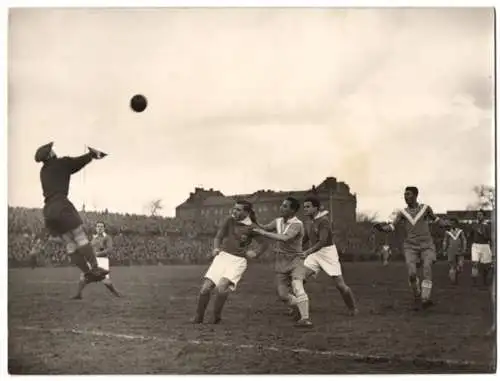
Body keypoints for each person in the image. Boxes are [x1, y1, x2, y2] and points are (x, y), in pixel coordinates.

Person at [35, 142, 108, 283]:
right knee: (80, 236)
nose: (54, 151)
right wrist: (92, 155)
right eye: (52, 150)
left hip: (49, 210)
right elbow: (78, 162)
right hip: (61, 205)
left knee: (70, 245)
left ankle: (87, 273)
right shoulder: (61, 163)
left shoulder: (43, 171)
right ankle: (95, 268)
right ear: (50, 154)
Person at [192, 200, 269, 324]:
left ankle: (216, 317)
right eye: (234, 209)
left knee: (221, 288)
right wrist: (216, 248)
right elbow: (218, 237)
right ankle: (198, 317)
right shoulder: (229, 220)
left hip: (238, 261)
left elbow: (264, 244)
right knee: (205, 288)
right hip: (222, 257)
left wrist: (256, 253)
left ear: (247, 212)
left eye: (238, 209)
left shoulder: (252, 227)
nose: (234, 211)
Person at [375, 186, 447, 310]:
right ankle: (417, 293)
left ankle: (425, 299)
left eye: (408, 194)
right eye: (404, 194)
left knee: (427, 266)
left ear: (415, 195)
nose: (405, 196)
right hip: (410, 246)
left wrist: (446, 224)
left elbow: (436, 220)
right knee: (412, 274)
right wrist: (382, 228)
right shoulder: (402, 213)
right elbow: (392, 226)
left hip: (426, 244)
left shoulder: (425, 208)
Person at [252, 197, 312, 327]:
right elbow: (265, 227)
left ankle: (305, 319)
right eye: (282, 205)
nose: (281, 208)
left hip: (296, 260)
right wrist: (253, 220)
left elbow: (285, 238)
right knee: (283, 295)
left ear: (293, 210)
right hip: (281, 261)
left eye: (285, 206)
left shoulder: (297, 224)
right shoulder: (278, 221)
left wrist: (262, 232)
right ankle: (300, 307)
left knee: (297, 286)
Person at [301, 196, 358, 316]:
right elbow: (305, 238)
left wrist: (307, 252)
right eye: (304, 206)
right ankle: (297, 307)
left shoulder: (324, 221)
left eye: (308, 207)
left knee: (340, 286)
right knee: (299, 279)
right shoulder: (308, 222)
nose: (305, 209)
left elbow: (322, 242)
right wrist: (295, 248)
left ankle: (353, 308)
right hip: (315, 254)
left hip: (328, 253)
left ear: (315, 208)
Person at [72, 221, 121, 299]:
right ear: (96, 228)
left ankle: (117, 294)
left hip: (102, 260)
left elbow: (109, 249)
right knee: (84, 275)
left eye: (101, 226)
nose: (99, 228)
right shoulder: (94, 238)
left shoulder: (107, 237)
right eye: (98, 226)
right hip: (93, 260)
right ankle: (78, 294)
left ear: (104, 228)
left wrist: (97, 253)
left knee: (104, 279)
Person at [470, 210, 493, 286]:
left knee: (486, 266)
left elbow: (489, 237)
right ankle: (474, 282)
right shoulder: (474, 225)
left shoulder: (487, 225)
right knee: (475, 263)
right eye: (477, 214)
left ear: (483, 216)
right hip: (475, 246)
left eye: (480, 215)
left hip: (485, 246)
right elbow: (470, 235)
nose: (478, 216)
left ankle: (485, 281)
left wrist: (482, 233)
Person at [442, 218, 467, 285]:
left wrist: (464, 249)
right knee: (452, 266)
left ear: (456, 223)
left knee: (460, 266)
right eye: (451, 223)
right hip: (451, 250)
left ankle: (455, 274)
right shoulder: (447, 232)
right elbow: (445, 241)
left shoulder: (460, 231)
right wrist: (444, 250)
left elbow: (464, 240)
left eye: (453, 223)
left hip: (459, 250)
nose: (452, 224)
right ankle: (453, 280)